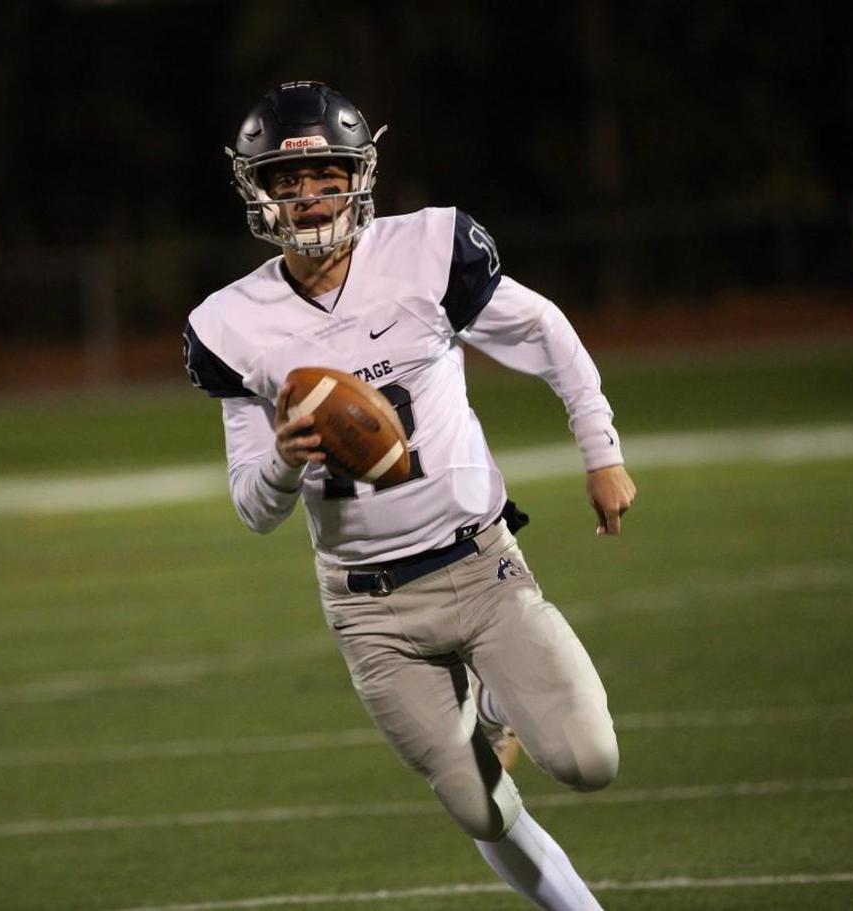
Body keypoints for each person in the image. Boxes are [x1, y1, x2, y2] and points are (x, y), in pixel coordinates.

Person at [183, 81, 636, 911]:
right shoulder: (229, 323)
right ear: (259, 191)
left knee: (590, 760)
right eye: (288, 180)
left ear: (359, 173)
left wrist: (600, 450)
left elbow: (544, 331)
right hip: (369, 607)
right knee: (482, 811)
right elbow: (254, 507)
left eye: (324, 172)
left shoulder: (428, 249)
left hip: (479, 564)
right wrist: (283, 460)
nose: (309, 193)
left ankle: (495, 699)